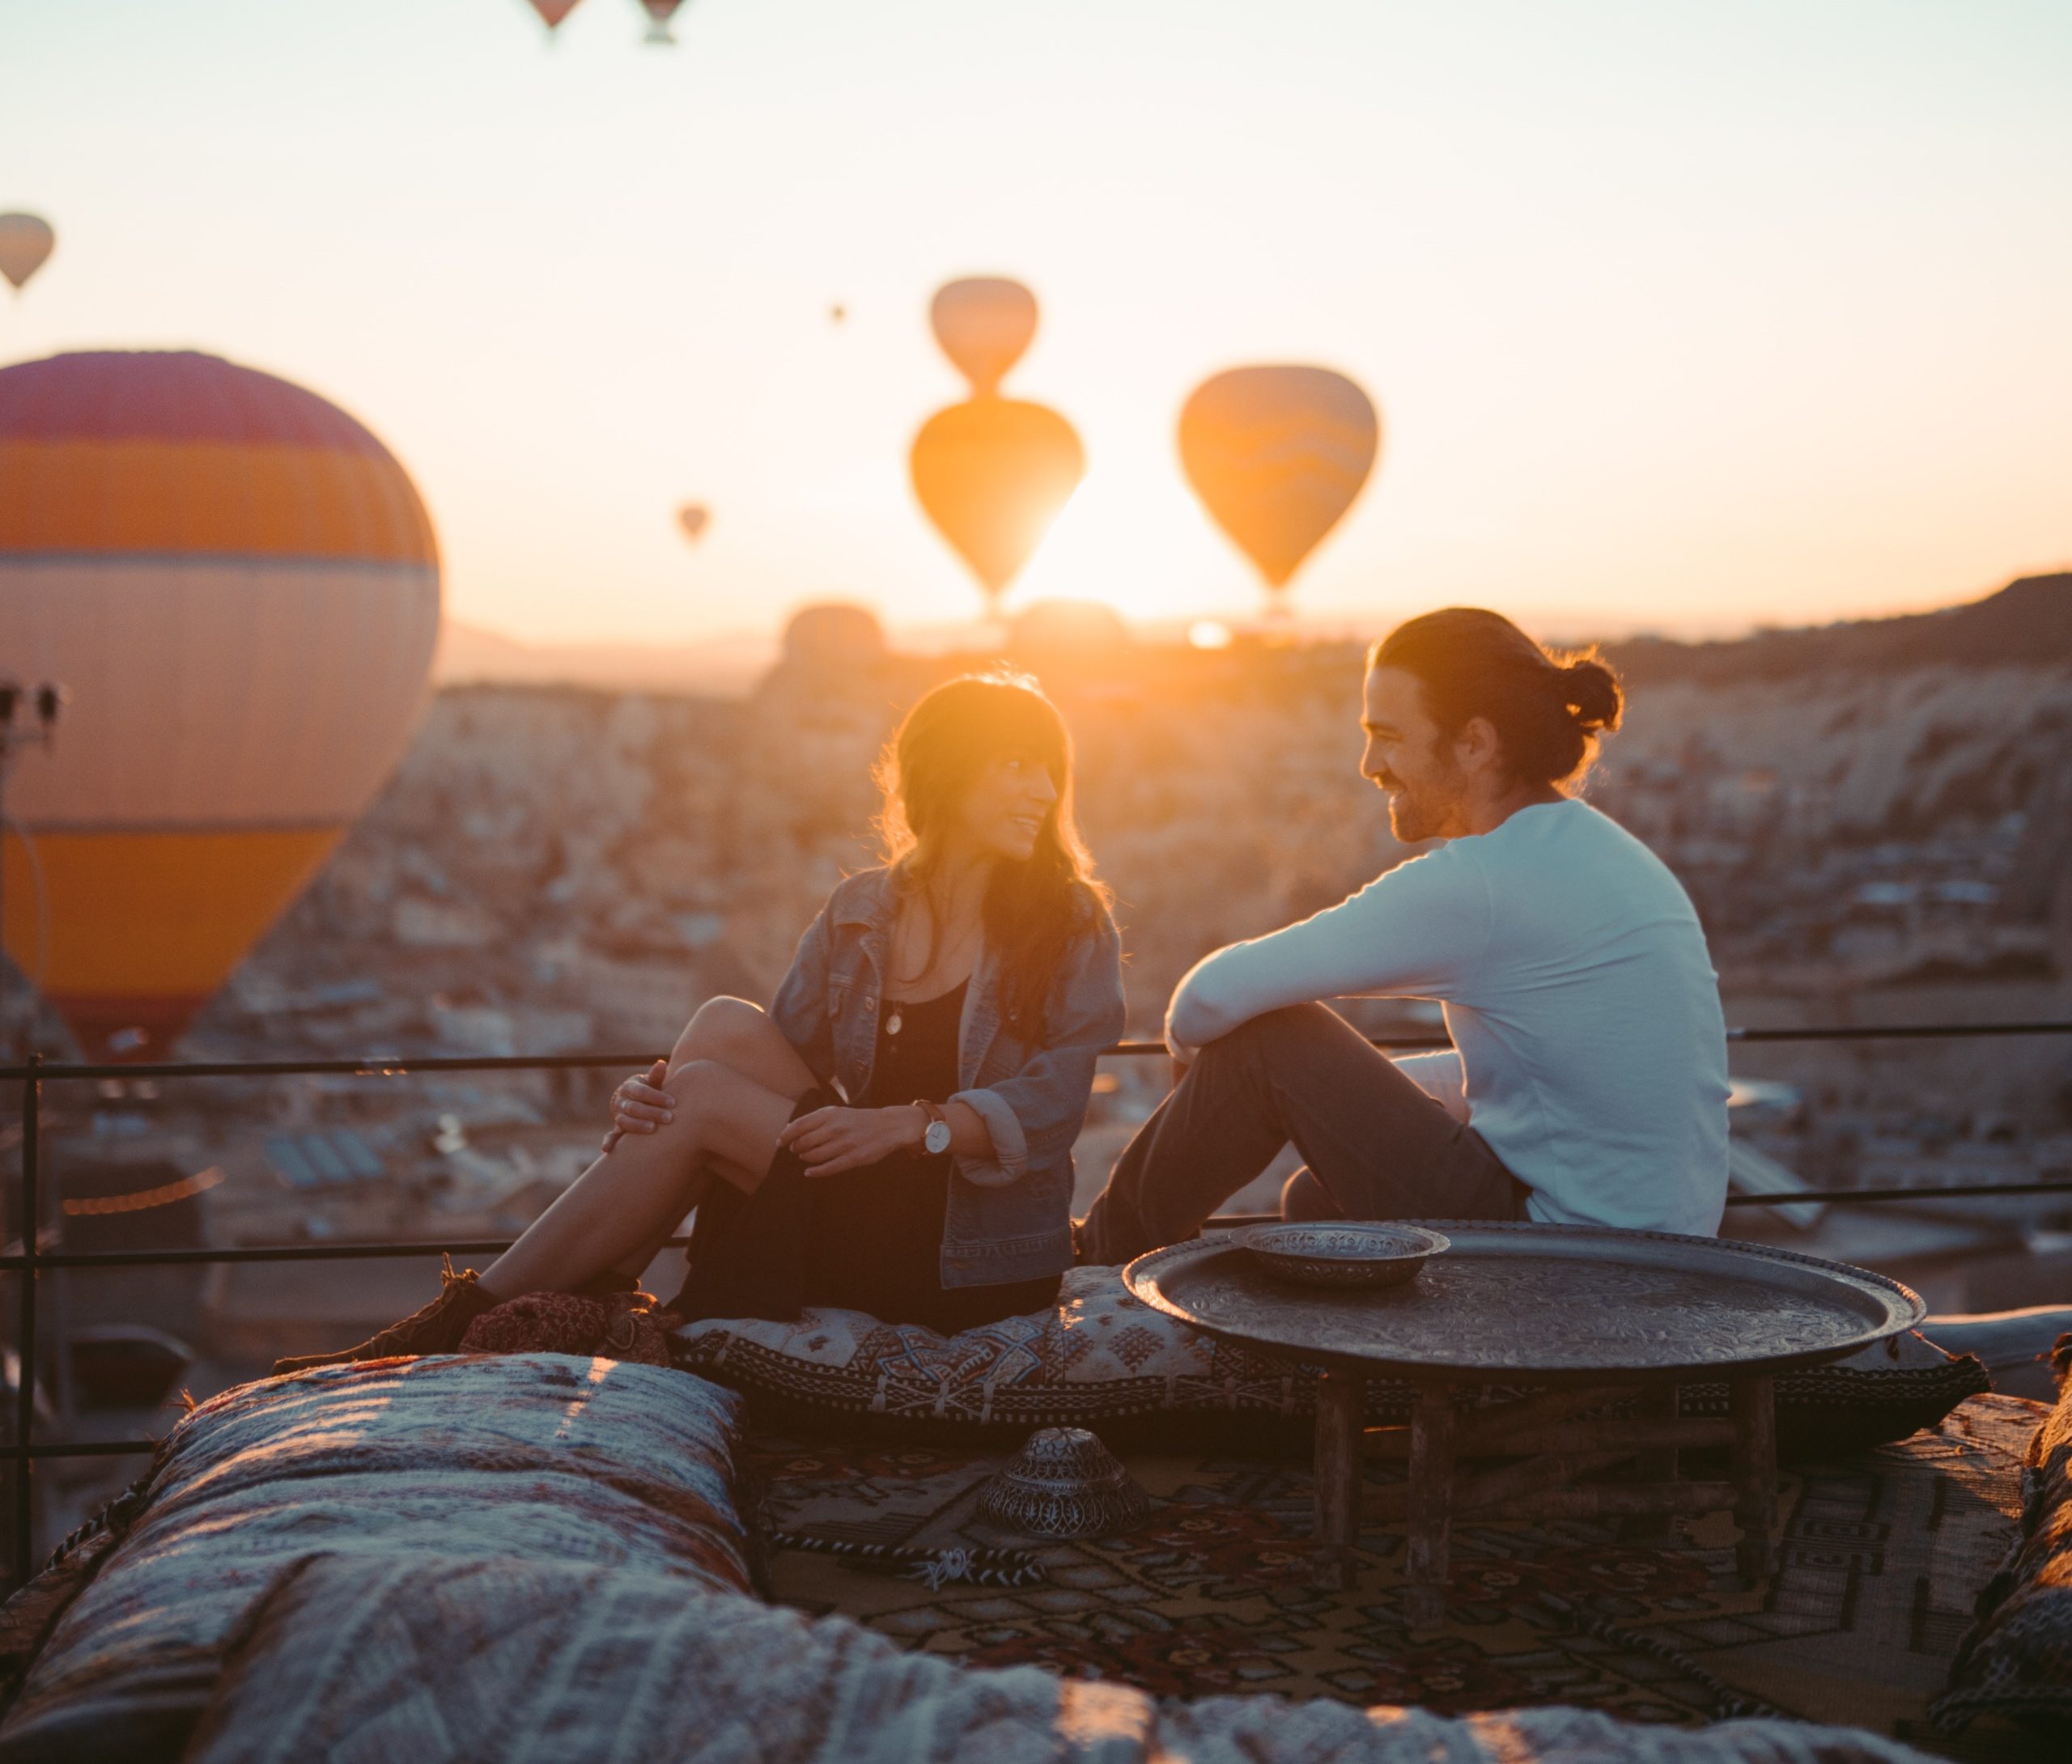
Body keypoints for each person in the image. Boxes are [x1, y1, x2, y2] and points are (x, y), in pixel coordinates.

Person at [278, 671, 1124, 1371]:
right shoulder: (863, 908)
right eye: (1017, 764)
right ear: (947, 770)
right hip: (856, 1196)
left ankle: (455, 1328)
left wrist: (913, 1125)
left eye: (1051, 768)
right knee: (717, 1028)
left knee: (708, 1098)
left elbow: (1054, 1105)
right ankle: (554, 1301)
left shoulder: (1067, 921)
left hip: (967, 1248)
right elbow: (772, 1053)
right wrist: (653, 1103)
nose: (1043, 791)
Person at [1076, 607, 1729, 1266]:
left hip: (1565, 1260)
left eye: (1387, 736)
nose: (1369, 765)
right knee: (1317, 1204)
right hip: (1658, 1258)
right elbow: (1552, 1081)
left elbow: (1211, 996)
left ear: (1475, 743)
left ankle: (1097, 1257)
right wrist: (1340, 1093)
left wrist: (1199, 1064)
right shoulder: (1602, 854)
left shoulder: (1482, 882)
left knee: (1270, 1040)